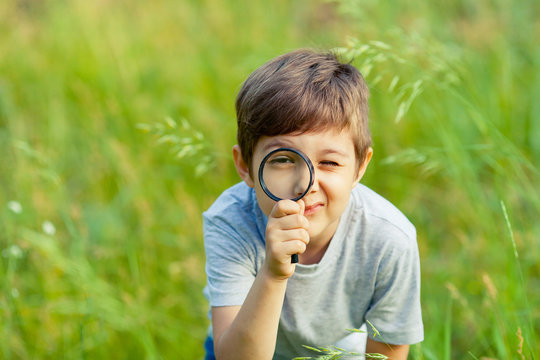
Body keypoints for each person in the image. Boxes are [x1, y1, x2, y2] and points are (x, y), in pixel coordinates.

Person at [203, 49, 423, 360]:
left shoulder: (389, 238)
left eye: (330, 162)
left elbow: (387, 353)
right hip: (236, 345)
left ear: (360, 166)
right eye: (281, 159)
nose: (304, 185)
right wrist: (273, 273)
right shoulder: (231, 221)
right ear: (245, 167)